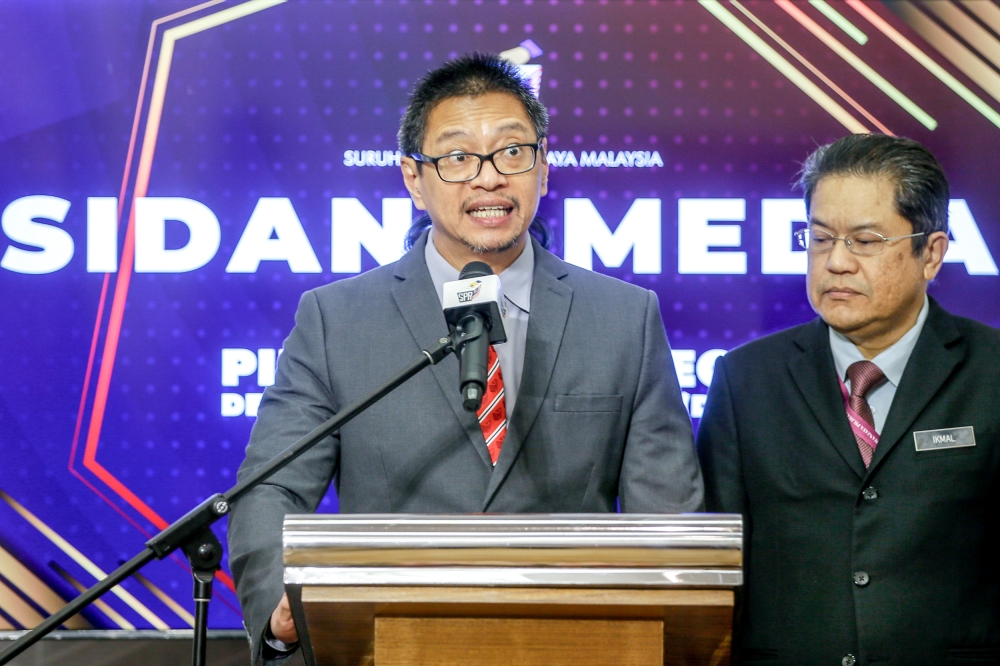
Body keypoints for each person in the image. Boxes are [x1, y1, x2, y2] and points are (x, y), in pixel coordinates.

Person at [228, 52, 703, 665]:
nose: (489, 178)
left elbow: (665, 517)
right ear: (413, 179)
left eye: (512, 152)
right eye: (457, 157)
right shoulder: (336, 319)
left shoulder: (623, 318)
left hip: (576, 647)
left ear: (543, 169)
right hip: (384, 645)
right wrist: (278, 607)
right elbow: (271, 487)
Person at [697, 133, 1000, 665]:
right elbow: (718, 569)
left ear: (930, 253)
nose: (836, 262)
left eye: (864, 240)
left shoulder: (991, 371)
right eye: (819, 239)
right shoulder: (746, 381)